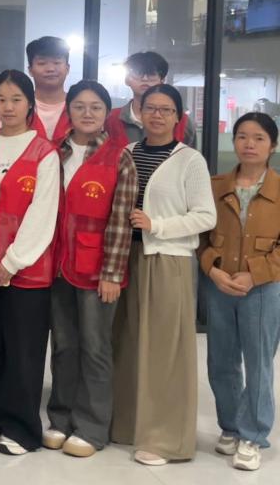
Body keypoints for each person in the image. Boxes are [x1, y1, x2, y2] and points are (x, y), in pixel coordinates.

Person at [110, 84, 216, 466]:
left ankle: (167, 439)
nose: (156, 115)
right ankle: (126, 425)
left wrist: (158, 225)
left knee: (165, 350)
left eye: (165, 109)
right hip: (125, 258)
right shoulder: (126, 153)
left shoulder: (190, 160)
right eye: (150, 108)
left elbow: (206, 216)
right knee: (126, 342)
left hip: (167, 260)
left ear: (178, 117)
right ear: (139, 113)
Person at [44, 80, 136, 458]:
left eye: (95, 107)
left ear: (106, 114)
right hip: (57, 266)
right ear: (68, 110)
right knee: (63, 346)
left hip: (98, 270)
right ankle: (60, 419)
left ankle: (92, 427)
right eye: (79, 106)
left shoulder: (119, 157)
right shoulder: (54, 152)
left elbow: (121, 220)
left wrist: (112, 273)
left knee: (95, 348)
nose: (87, 113)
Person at [0, 70, 60, 456]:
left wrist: (13, 261)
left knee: (24, 350)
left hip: (27, 271)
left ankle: (22, 428)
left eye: (16, 100)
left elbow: (43, 214)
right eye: (1, 99)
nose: (8, 107)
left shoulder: (45, 152)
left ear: (29, 104)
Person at [201, 112, 280, 472]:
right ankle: (231, 426)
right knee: (221, 360)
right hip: (220, 286)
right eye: (243, 136)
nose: (250, 144)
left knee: (259, 362)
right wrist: (213, 270)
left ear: (272, 146)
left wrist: (255, 274)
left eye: (259, 138)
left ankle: (253, 435)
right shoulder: (215, 185)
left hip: (262, 289)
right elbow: (200, 237)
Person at [106, 51, 197, 147]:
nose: (145, 79)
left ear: (162, 80)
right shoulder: (110, 119)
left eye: (151, 74)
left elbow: (192, 155)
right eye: (138, 73)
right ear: (127, 79)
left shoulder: (181, 121)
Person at [26, 36, 71, 145]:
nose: (50, 69)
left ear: (67, 68)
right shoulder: (19, 106)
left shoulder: (78, 106)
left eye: (57, 62)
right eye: (42, 63)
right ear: (30, 70)